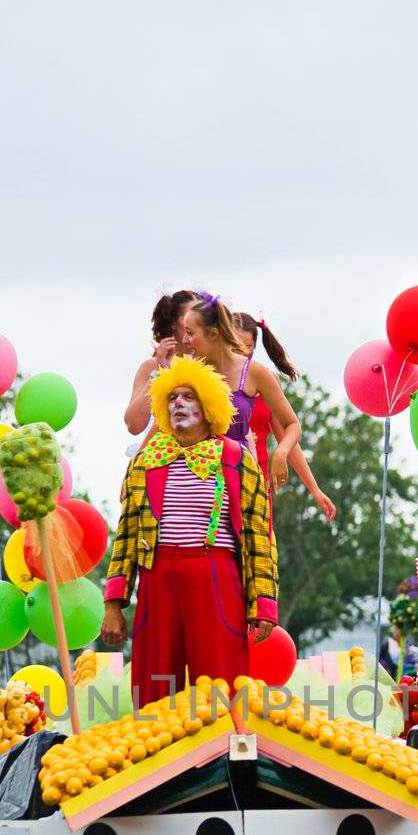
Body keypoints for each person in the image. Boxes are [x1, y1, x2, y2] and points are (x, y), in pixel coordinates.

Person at [101, 355, 277, 704]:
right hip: (157, 576)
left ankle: (224, 753)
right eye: (171, 397)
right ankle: (157, 752)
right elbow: (126, 536)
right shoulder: (145, 459)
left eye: (189, 396)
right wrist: (114, 603)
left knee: (221, 682)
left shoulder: (236, 459)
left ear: (209, 405)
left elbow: (258, 536)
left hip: (215, 573)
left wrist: (264, 604)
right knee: (155, 683)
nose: (178, 403)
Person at [182, 294, 300, 491]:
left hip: (240, 480)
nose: (185, 340)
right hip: (194, 482)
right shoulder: (187, 372)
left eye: (190, 332)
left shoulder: (255, 373)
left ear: (213, 334)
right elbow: (162, 428)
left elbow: (292, 425)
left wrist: (281, 452)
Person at [233, 312, 336, 521]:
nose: (242, 354)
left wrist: (314, 489)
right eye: (235, 346)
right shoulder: (213, 378)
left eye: (248, 348)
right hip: (220, 478)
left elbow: (288, 434)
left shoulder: (265, 380)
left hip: (257, 483)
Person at [123, 289, 195, 438]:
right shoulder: (151, 366)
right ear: (174, 323)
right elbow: (133, 425)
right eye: (191, 316)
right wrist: (159, 372)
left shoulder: (213, 363)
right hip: (161, 456)